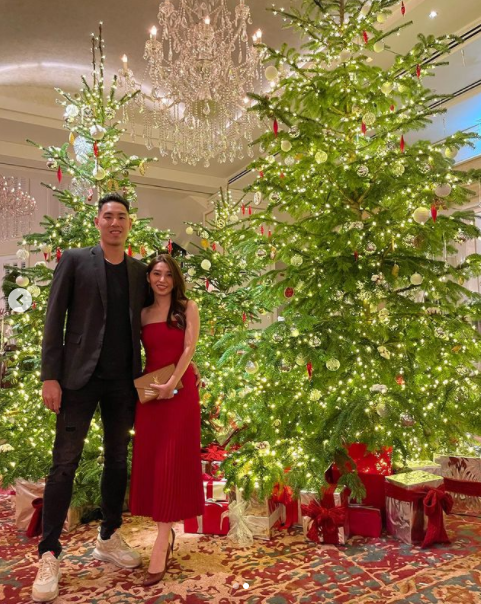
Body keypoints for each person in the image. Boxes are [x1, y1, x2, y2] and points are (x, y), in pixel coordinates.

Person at [32, 193, 148, 602]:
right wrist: (51, 376)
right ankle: (49, 552)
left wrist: (186, 349)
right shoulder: (77, 260)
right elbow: (54, 317)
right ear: (97, 222)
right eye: (108, 216)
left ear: (129, 224)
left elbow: (160, 313)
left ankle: (109, 535)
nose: (115, 222)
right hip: (77, 379)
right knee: (64, 462)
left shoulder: (138, 271)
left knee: (118, 458)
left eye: (121, 217)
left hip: (122, 382)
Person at [129, 254, 205, 587]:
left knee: (173, 460)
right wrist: (155, 386)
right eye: (156, 274)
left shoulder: (187, 306)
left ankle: (161, 542)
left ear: (175, 279)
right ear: (148, 278)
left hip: (178, 391)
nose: (162, 280)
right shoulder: (143, 313)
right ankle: (165, 533)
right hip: (151, 392)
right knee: (155, 461)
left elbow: (189, 348)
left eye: (168, 275)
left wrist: (174, 382)